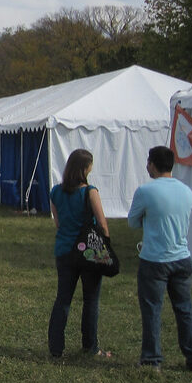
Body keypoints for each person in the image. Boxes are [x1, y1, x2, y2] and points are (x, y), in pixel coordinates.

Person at [128, 146, 192, 372]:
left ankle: (152, 359)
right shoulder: (186, 191)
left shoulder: (145, 191)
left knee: (152, 309)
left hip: (154, 259)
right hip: (182, 257)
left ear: (152, 164)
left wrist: (148, 220)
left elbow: (133, 222)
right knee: (184, 309)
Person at [47, 148, 109, 359]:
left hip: (64, 249)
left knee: (63, 299)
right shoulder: (90, 192)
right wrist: (105, 245)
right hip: (88, 251)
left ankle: (56, 347)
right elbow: (101, 223)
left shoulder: (56, 191)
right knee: (91, 299)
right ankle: (90, 346)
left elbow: (58, 222)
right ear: (85, 168)